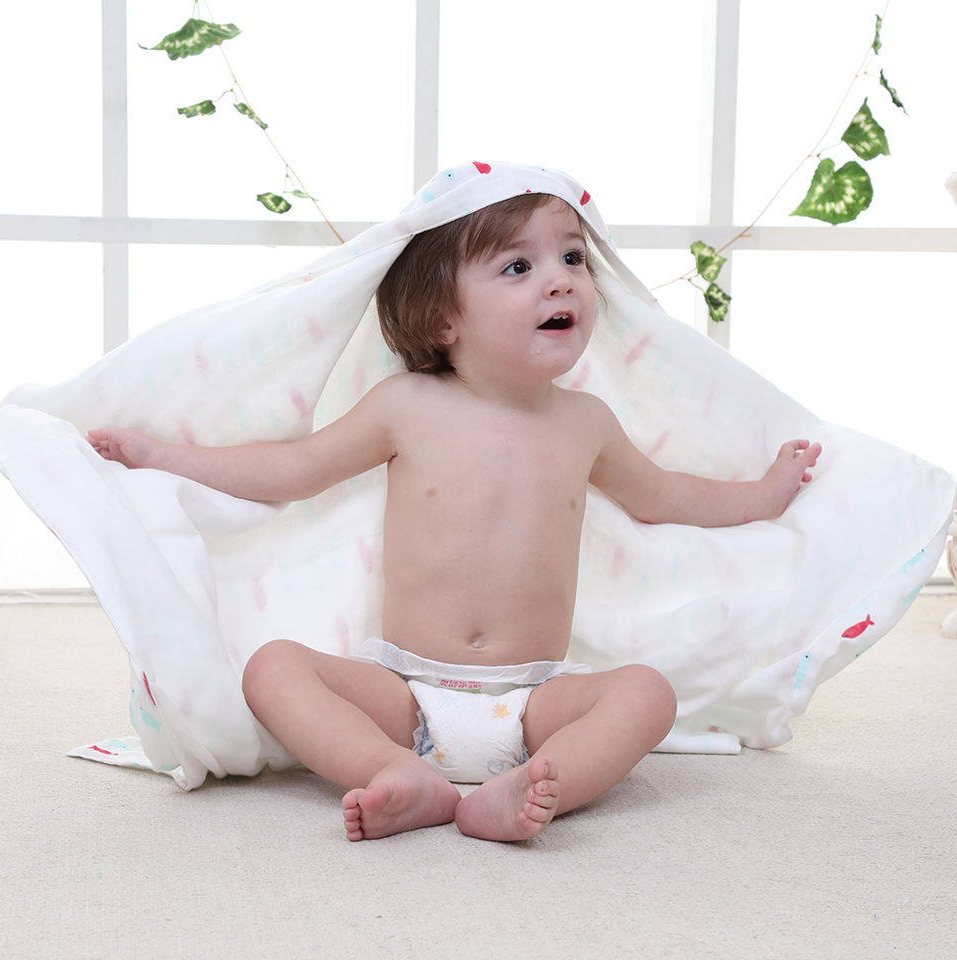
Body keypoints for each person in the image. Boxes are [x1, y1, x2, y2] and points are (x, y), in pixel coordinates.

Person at [87, 191, 821, 843]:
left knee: (646, 694)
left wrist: (764, 495)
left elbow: (664, 498)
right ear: (443, 318)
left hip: (536, 701)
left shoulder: (586, 423)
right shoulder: (407, 406)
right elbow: (292, 470)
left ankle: (533, 787)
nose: (562, 279)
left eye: (572, 258)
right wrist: (162, 456)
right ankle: (394, 772)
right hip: (405, 693)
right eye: (518, 266)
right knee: (273, 668)